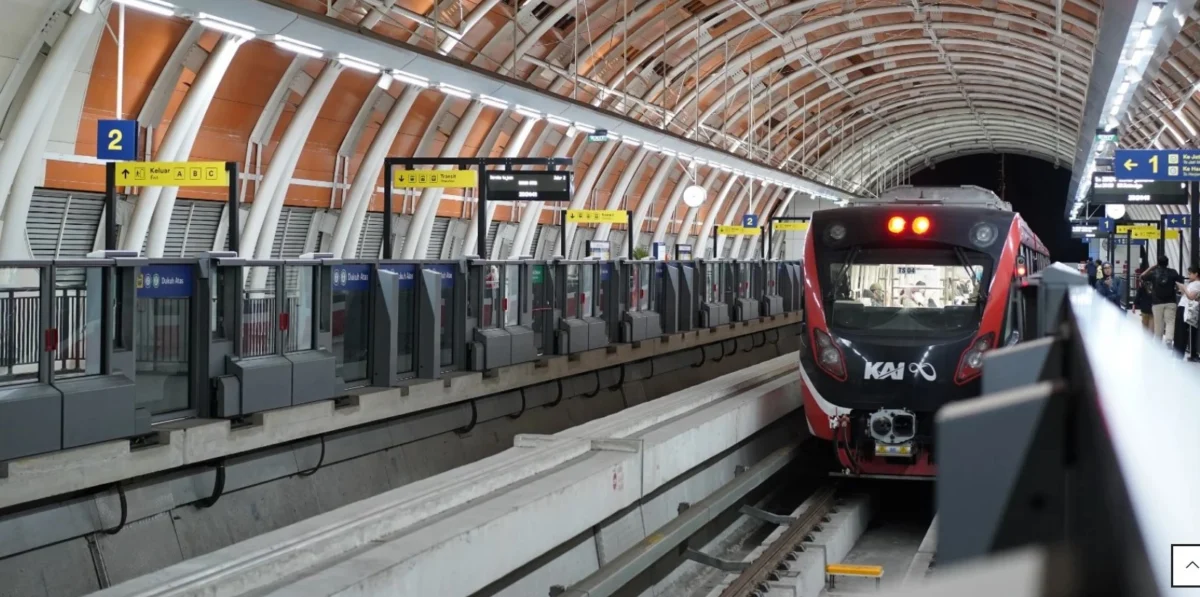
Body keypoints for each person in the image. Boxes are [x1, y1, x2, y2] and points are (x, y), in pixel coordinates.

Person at [1140, 255, 1184, 344]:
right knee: (1170, 322)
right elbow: (1180, 281)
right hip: (1170, 301)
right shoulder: (1173, 272)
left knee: (1158, 323)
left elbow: (1142, 276)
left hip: (1157, 303)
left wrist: (1152, 267)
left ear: (1158, 263)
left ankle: (1158, 342)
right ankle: (1168, 339)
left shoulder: (1153, 273)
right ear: (1167, 263)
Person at [1174, 266, 1200, 360]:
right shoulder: (1192, 283)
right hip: (1183, 306)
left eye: (1190, 274)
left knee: (1182, 331)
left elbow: (1191, 297)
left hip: (1187, 309)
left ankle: (1180, 353)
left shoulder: (1197, 284)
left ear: (1196, 274)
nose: (1188, 276)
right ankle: (1178, 352)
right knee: (1179, 330)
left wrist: (1184, 287)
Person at [1133, 263, 1153, 329]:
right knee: (1151, 329)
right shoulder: (1156, 284)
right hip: (1153, 307)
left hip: (1145, 307)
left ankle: (1146, 338)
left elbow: (1138, 294)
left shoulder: (1143, 284)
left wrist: (1134, 304)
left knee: (1145, 327)